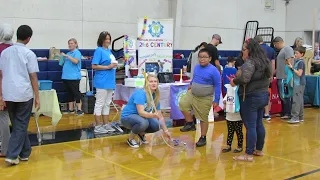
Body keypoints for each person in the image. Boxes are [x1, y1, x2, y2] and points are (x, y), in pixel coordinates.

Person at [0, 25, 40, 165]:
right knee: (21, 125)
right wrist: (37, 96)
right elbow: (33, 76)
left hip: (8, 93)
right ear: (28, 38)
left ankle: (25, 152)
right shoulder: (29, 54)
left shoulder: (4, 53)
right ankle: (11, 155)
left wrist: (0, 96)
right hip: (24, 94)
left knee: (18, 124)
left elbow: (0, 75)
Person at [229, 38, 272, 161]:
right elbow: (269, 77)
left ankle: (248, 154)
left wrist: (234, 81)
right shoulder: (266, 61)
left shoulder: (251, 62)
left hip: (251, 97)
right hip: (263, 95)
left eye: (244, 49)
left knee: (251, 126)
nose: (243, 52)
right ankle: (259, 150)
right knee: (259, 124)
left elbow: (245, 79)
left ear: (250, 50)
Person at [179, 48, 221, 147]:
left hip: (205, 97)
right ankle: (190, 123)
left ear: (210, 58)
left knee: (203, 118)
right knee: (182, 104)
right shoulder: (197, 67)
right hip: (192, 93)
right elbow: (195, 77)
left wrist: (217, 99)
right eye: (200, 57)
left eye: (204, 57)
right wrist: (191, 84)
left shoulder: (214, 70)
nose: (202, 59)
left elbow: (218, 84)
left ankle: (203, 137)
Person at [120, 74, 171, 148]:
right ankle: (130, 139)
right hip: (127, 117)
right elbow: (141, 112)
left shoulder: (155, 96)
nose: (153, 83)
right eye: (151, 81)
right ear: (146, 84)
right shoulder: (140, 93)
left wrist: (166, 131)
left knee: (156, 125)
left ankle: (140, 134)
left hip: (140, 117)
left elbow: (160, 116)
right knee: (144, 122)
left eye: (155, 81)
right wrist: (153, 115)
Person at [92, 31, 118, 134]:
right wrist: (107, 67)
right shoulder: (99, 50)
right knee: (100, 103)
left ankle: (106, 124)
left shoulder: (109, 51)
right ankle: (98, 126)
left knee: (107, 103)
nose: (108, 41)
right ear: (101, 40)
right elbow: (94, 66)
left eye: (109, 39)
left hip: (110, 81)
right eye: (106, 39)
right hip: (102, 81)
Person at [254, 35, 276, 121]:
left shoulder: (257, 50)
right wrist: (271, 75)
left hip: (258, 75)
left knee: (256, 93)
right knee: (266, 93)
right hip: (268, 74)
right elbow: (273, 63)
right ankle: (267, 114)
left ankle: (258, 114)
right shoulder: (271, 50)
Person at [0, 23, 14, 157]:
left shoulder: (1, 49)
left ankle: (4, 148)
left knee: (3, 118)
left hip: (3, 89)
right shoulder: (18, 49)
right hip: (16, 90)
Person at [60, 38, 83, 115]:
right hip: (66, 76)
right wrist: (61, 58)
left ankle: (79, 109)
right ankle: (71, 109)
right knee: (69, 93)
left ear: (76, 44)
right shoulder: (68, 53)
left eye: (72, 43)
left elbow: (76, 61)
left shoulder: (77, 53)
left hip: (74, 77)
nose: (70, 45)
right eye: (69, 43)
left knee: (76, 93)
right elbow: (61, 63)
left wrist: (67, 56)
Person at [273, 37, 294, 119]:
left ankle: (288, 112)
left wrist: (288, 75)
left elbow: (290, 61)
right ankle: (284, 111)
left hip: (284, 76)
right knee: (282, 95)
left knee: (285, 95)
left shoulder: (287, 49)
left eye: (275, 45)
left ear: (279, 43)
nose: (275, 46)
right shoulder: (282, 50)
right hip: (280, 75)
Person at [287, 47, 306, 124]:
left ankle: (295, 117)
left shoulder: (301, 62)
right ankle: (300, 116)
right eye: (295, 53)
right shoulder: (297, 61)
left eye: (297, 53)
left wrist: (292, 69)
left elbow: (299, 73)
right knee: (300, 100)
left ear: (302, 54)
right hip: (297, 83)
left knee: (296, 100)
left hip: (299, 84)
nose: (295, 54)